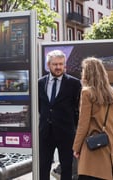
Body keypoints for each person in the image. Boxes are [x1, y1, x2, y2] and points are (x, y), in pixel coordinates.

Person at [38, 50, 81, 180]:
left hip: (66, 133)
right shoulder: (40, 83)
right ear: (48, 65)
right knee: (43, 167)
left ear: (65, 65)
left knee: (67, 168)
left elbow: (77, 108)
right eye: (55, 64)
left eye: (61, 64)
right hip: (45, 133)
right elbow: (40, 107)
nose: (58, 67)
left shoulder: (74, 83)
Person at [73, 57, 113, 180]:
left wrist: (76, 148)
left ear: (87, 73)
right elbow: (111, 122)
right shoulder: (111, 93)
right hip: (107, 142)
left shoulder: (87, 93)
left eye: (83, 70)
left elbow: (83, 123)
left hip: (92, 145)